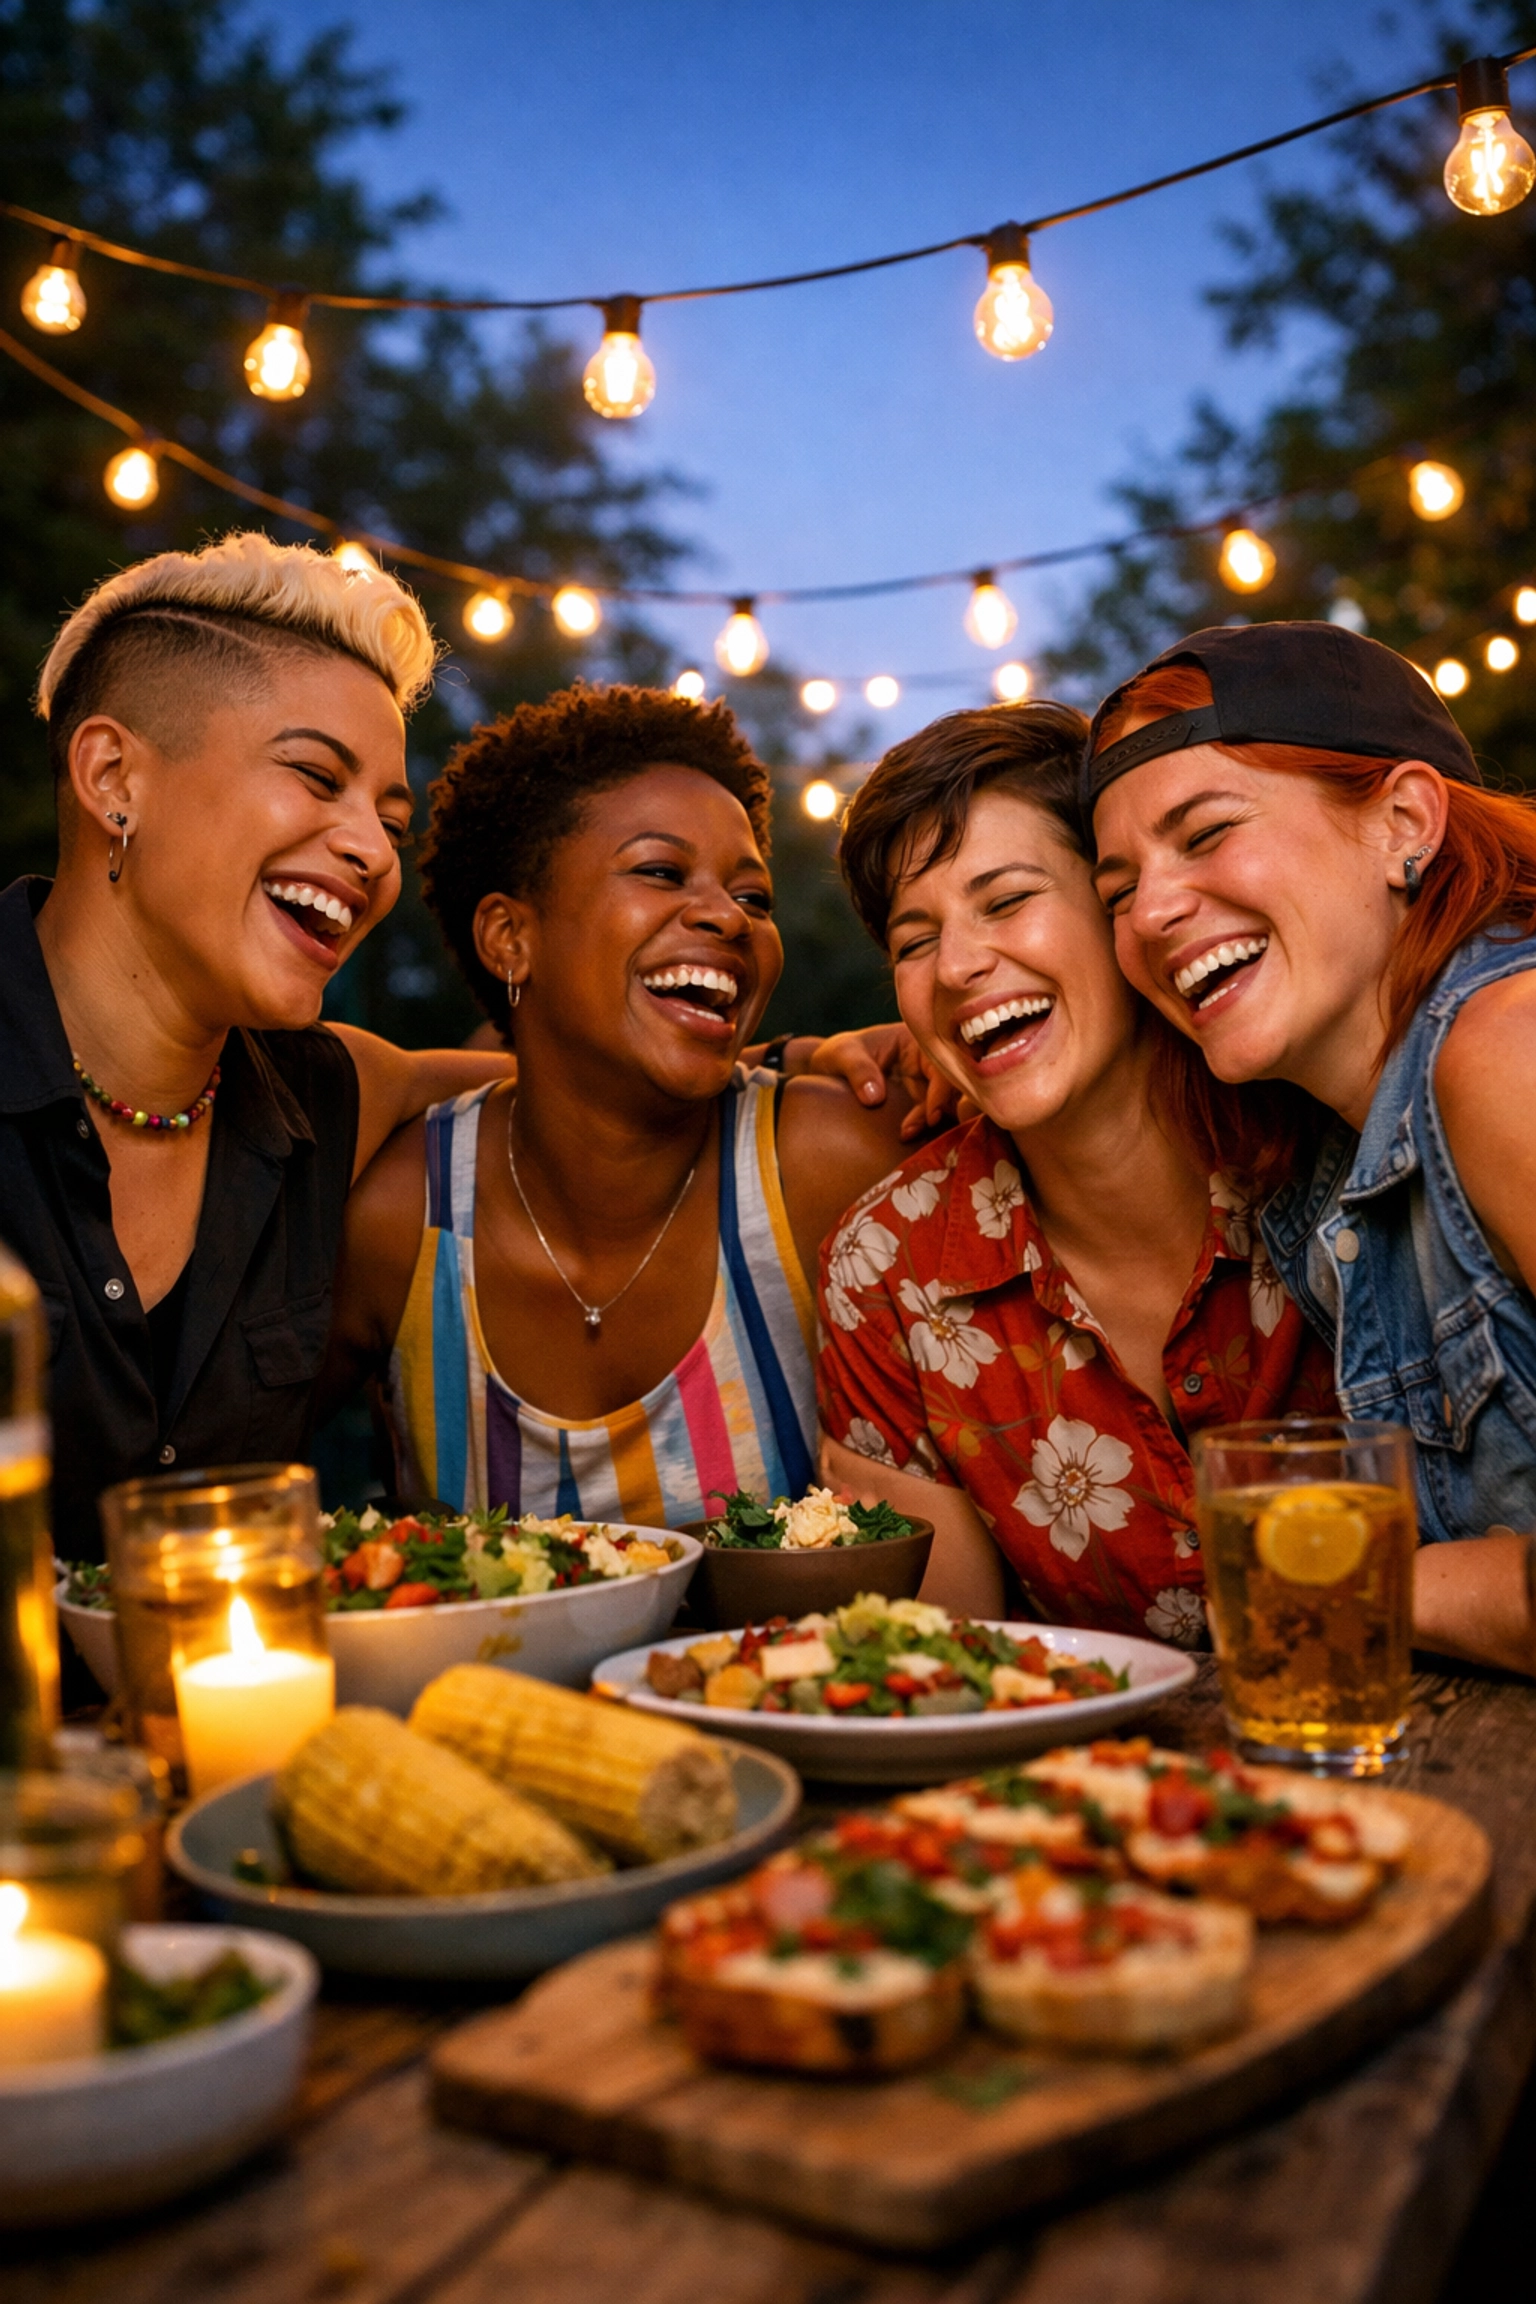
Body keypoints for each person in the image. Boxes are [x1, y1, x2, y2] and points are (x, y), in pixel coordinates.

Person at [0, 531, 545, 1554]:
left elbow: (580, 1084)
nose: (374, 852)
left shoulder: (328, 1093)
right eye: (315, 776)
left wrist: (810, 1066)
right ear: (114, 776)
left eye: (391, 817)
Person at [325, 683, 921, 1524]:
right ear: (510, 938)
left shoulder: (828, 1163)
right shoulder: (399, 1221)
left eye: (754, 897)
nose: (726, 915)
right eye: (659, 871)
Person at [815, 701, 1334, 1636]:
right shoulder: (886, 1268)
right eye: (914, 940)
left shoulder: (1322, 1138)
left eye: (1007, 900)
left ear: (1121, 908)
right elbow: (959, 1672)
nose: (961, 965)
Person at [1084, 620, 1536, 1675]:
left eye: (1204, 834)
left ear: (1404, 822)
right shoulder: (1320, 1160)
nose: (1151, 912)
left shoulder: (1504, 1052)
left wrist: (1369, 1580)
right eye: (1115, 892)